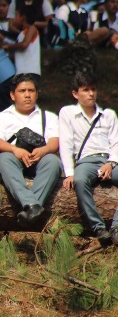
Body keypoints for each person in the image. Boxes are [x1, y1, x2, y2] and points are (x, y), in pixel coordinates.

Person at [0, 73, 60, 227]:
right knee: (3, 159)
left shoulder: (49, 117)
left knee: (53, 161)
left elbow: (54, 143)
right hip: (12, 161)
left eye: (31, 91)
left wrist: (43, 150)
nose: (27, 95)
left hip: (38, 160)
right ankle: (32, 205)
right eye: (22, 91)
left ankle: (31, 209)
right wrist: (15, 150)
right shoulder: (2, 117)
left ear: (37, 94)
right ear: (12, 95)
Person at [59, 72, 118, 244]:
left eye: (93, 89)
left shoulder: (108, 115)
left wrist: (110, 163)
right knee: (80, 180)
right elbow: (66, 144)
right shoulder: (68, 113)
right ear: (75, 94)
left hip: (108, 160)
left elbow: (116, 143)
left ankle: (116, 226)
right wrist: (69, 172)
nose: (91, 94)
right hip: (86, 161)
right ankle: (98, 227)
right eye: (85, 90)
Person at [0, 5, 42, 111]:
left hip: (29, 72)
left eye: (16, 16)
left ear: (23, 17)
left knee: (9, 92)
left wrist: (8, 46)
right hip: (21, 73)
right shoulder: (21, 34)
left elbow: (24, 45)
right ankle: (9, 113)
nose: (14, 19)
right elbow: (19, 55)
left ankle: (9, 113)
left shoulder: (32, 29)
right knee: (3, 90)